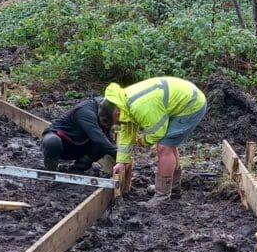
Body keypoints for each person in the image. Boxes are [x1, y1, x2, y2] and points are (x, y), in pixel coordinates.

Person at [103, 77, 207, 208]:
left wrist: (143, 141)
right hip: (182, 99)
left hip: (191, 104)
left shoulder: (140, 106)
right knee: (169, 144)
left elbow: (157, 132)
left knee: (164, 147)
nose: (118, 124)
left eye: (117, 122)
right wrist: (121, 162)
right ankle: (172, 187)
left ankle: (162, 196)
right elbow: (127, 133)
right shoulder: (123, 103)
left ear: (117, 114)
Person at [40, 96, 117, 174]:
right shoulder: (85, 111)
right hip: (63, 144)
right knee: (52, 141)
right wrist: (119, 156)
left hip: (80, 145)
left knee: (103, 145)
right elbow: (99, 138)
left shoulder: (105, 112)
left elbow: (107, 142)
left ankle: (77, 168)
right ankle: (51, 171)